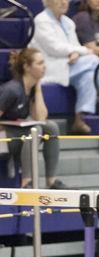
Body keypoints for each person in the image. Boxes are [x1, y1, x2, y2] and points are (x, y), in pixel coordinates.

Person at [29, 0, 99, 134]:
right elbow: (54, 48)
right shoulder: (41, 20)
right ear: (48, 1)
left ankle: (79, 120)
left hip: (70, 64)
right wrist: (81, 51)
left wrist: (76, 52)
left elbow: (74, 46)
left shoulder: (68, 22)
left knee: (89, 75)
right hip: (49, 67)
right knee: (93, 59)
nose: (64, 2)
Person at [0, 48, 66, 189]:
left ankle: (51, 181)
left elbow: (41, 117)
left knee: (51, 127)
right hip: (2, 139)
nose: (44, 66)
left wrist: (38, 88)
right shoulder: (12, 90)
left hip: (15, 134)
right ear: (27, 67)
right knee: (35, 130)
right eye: (40, 63)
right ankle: (26, 182)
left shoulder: (30, 88)